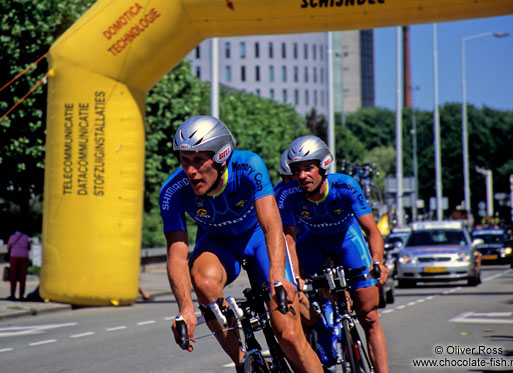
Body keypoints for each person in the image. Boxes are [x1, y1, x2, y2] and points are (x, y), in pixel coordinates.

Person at [160, 116, 322, 372]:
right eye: (184, 160)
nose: (190, 170)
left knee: (290, 337)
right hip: (218, 243)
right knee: (202, 280)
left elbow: (271, 225)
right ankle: (244, 361)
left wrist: (278, 277)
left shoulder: (249, 166)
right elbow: (177, 254)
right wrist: (185, 309)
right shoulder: (173, 190)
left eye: (199, 160)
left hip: (257, 237)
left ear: (222, 156)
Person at [276, 135, 389, 373]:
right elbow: (288, 239)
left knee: (369, 317)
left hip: (347, 240)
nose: (302, 176)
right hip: (312, 243)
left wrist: (378, 262)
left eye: (308, 168)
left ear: (324, 165)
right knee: (298, 302)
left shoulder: (345, 185)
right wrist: (295, 276)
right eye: (296, 170)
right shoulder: (288, 194)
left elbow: (372, 231)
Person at [6, 231, 31, 301]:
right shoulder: (27, 237)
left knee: (13, 276)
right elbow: (29, 247)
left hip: (14, 256)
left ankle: (12, 294)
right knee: (22, 276)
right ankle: (21, 295)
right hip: (24, 257)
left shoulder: (12, 237)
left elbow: (8, 247)